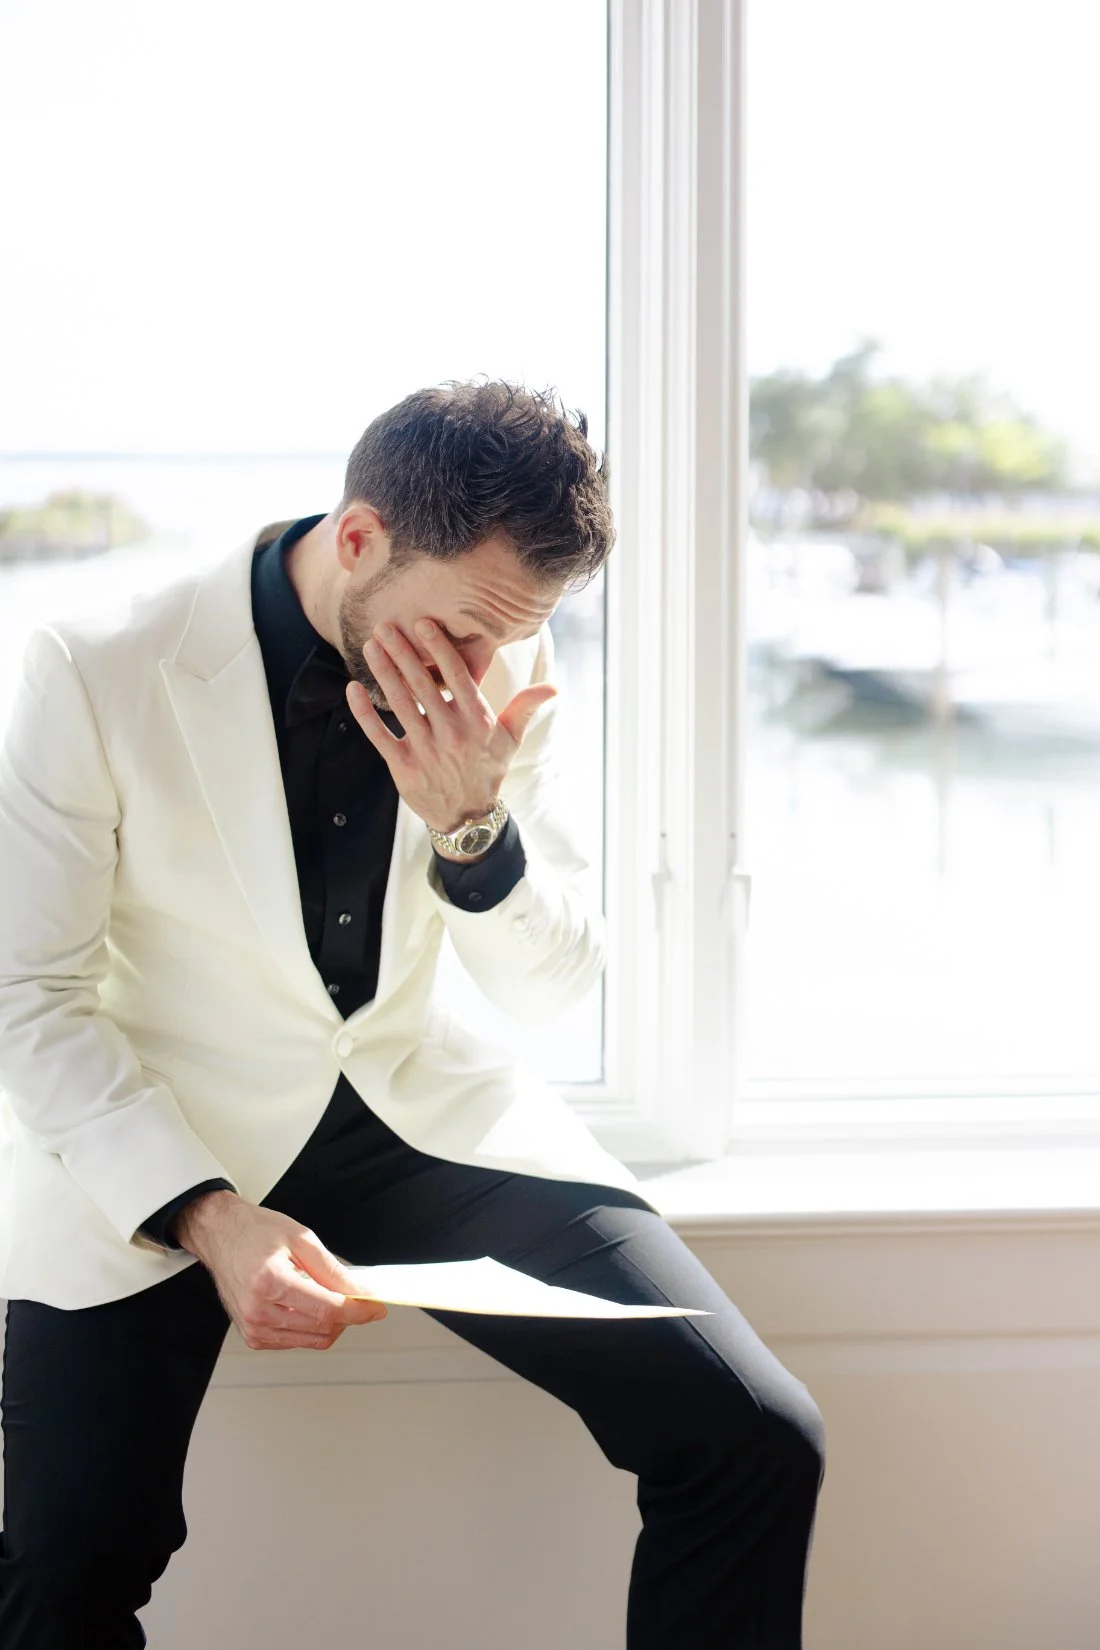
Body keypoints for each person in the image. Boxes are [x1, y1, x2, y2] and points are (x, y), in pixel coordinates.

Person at [0, 379, 825, 1648]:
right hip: (157, 1136)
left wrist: (470, 828)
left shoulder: (507, 653)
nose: (485, 668)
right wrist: (206, 1216)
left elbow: (545, 984)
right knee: (64, 1570)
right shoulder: (95, 663)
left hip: (405, 1111)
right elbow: (29, 998)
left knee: (754, 1436)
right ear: (360, 538)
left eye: (518, 633)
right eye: (466, 625)